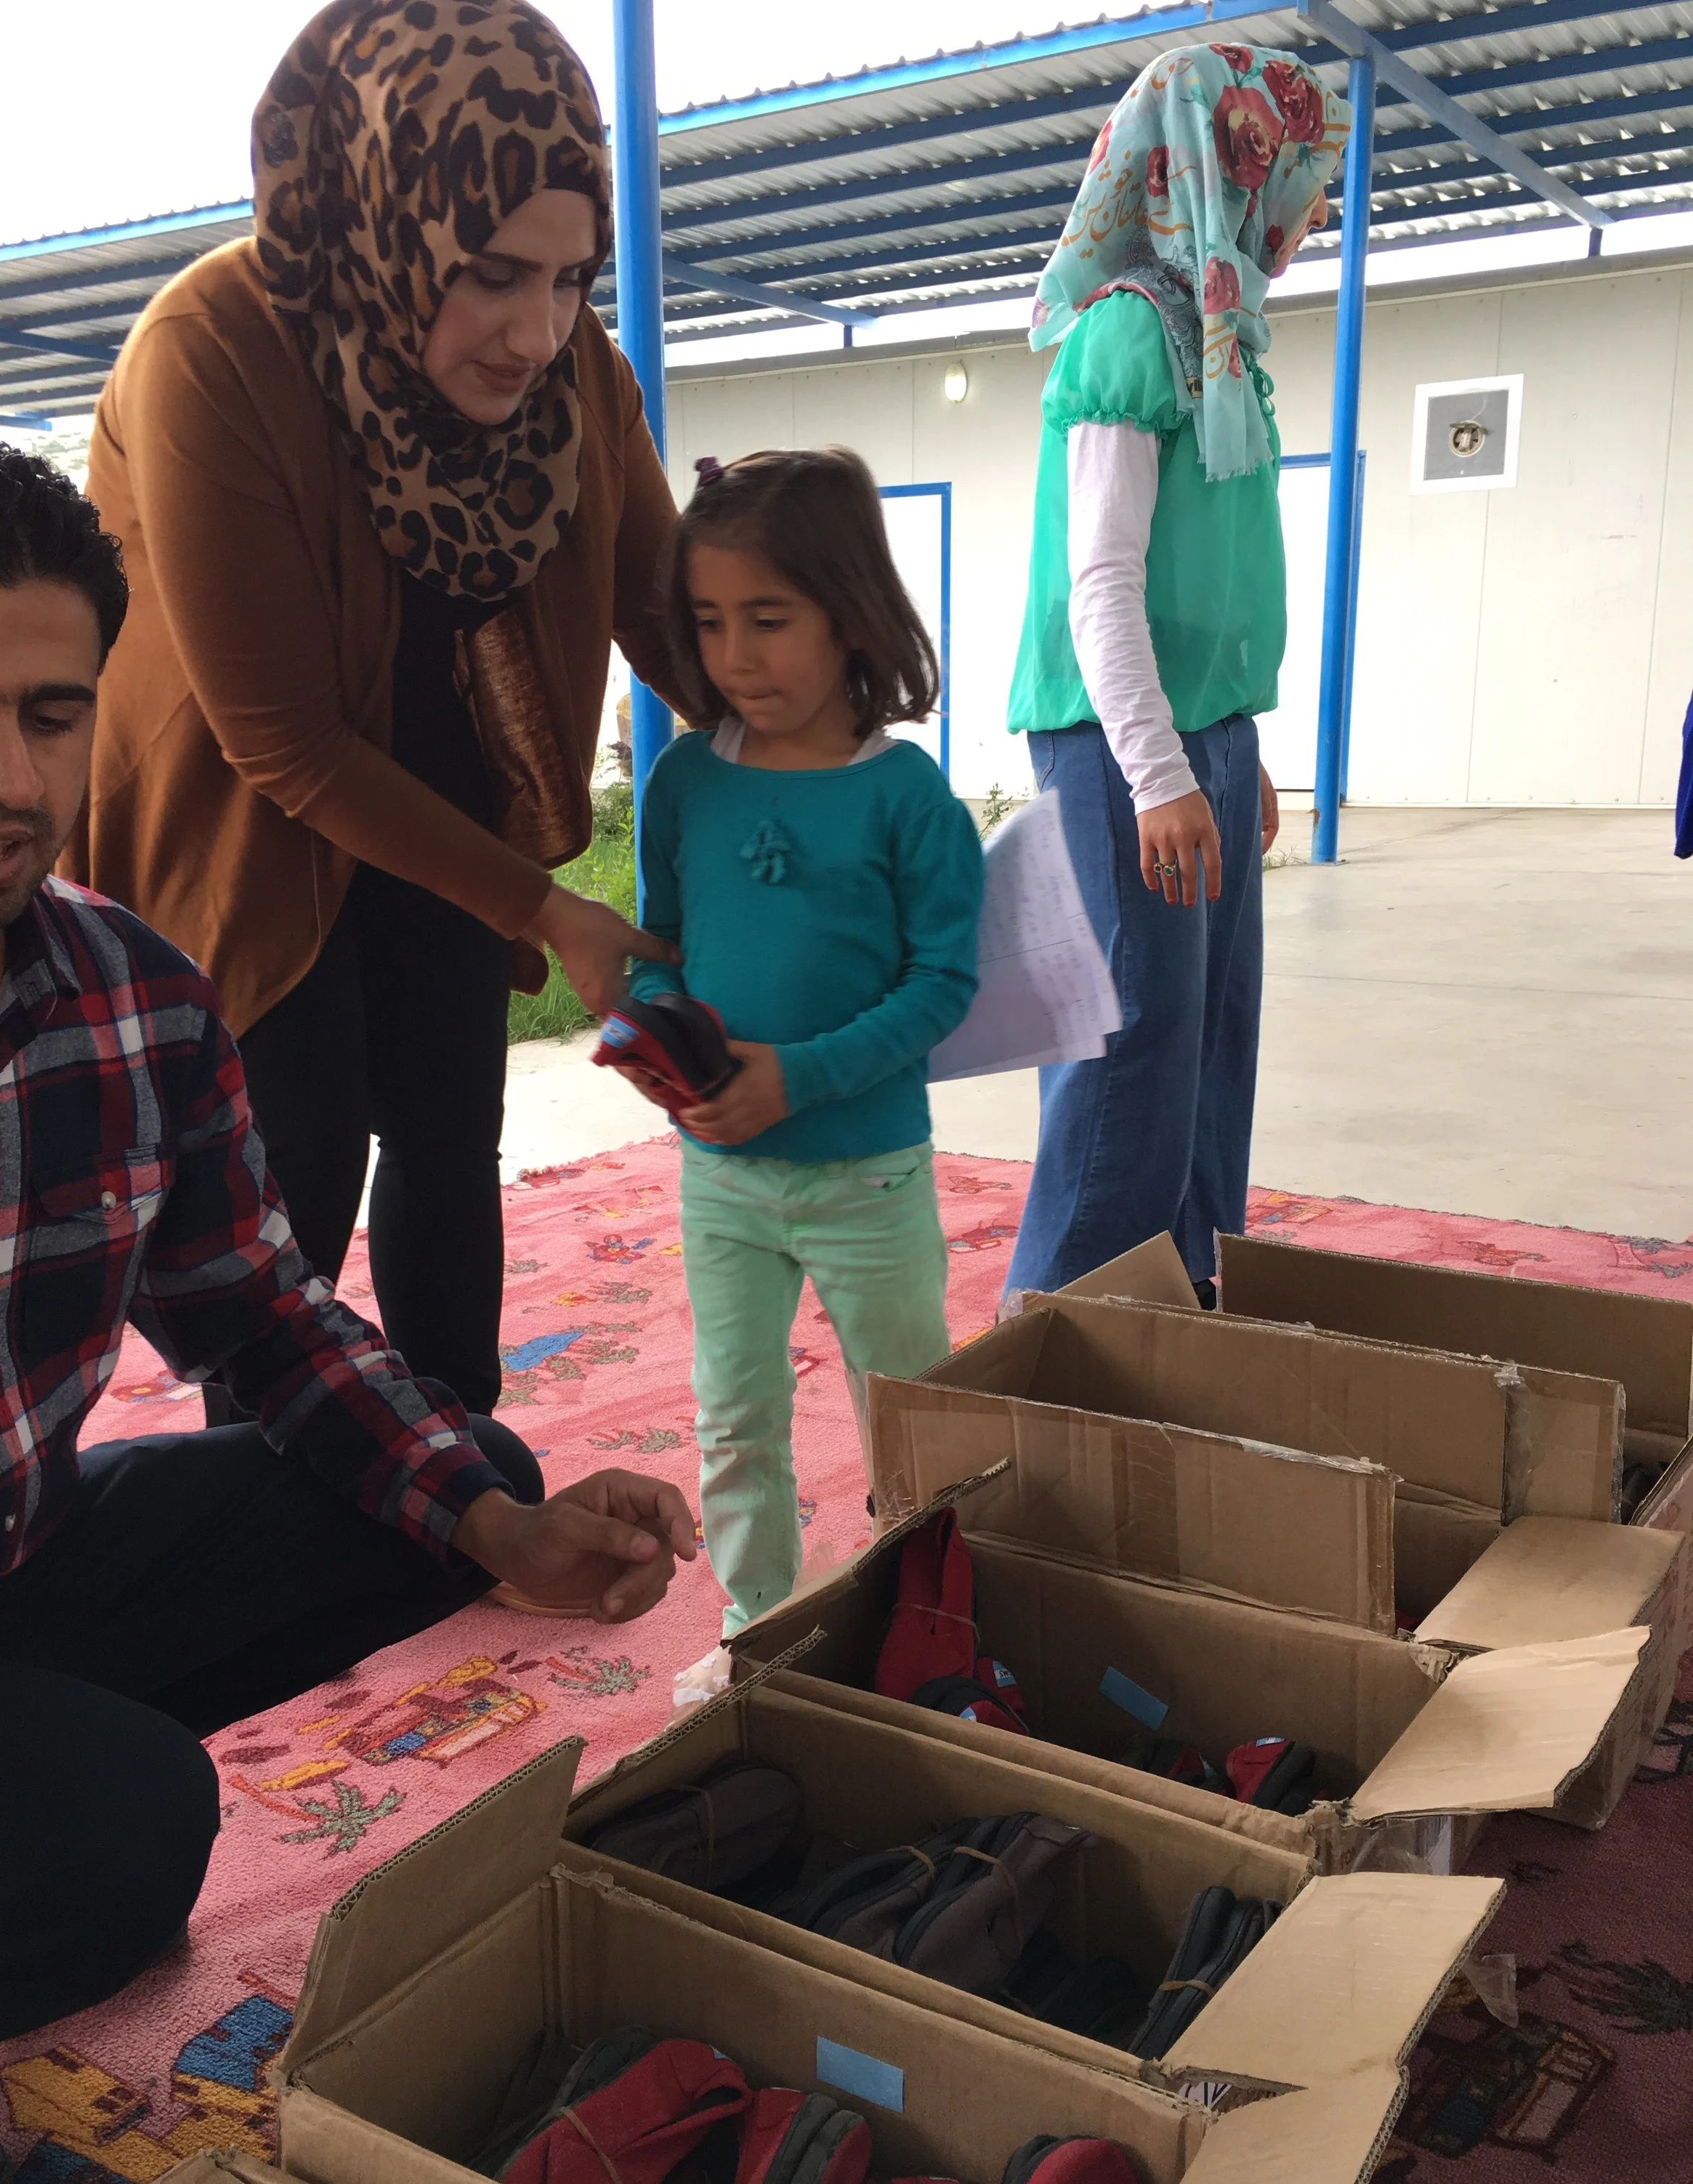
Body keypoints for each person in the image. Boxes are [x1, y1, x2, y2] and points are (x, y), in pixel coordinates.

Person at [0, 421, 695, 2184]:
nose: (6, 774)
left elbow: (259, 1313)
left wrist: (498, 1528)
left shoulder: (129, 995)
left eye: (52, 714)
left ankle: (4, 1802)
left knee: (454, 1472)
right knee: (113, 1835)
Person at [65, 0, 683, 1424]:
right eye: (492, 275)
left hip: (448, 800)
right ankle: (265, 1483)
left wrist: (826, 757)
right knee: (295, 1166)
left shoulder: (576, 371)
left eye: (570, 279)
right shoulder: (212, 351)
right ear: (387, 212)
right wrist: (550, 910)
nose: (535, 334)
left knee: (449, 1132)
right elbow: (281, 742)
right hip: (243, 825)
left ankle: (460, 1459)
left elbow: (669, 612)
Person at [610, 450, 984, 1693]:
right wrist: (651, 1038)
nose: (735, 657)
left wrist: (801, 1077)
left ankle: (930, 1628)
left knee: (911, 1419)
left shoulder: (908, 798)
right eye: (710, 622)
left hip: (869, 1179)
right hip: (721, 1179)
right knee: (733, 1418)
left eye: (768, 620)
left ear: (850, 612)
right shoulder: (682, 781)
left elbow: (943, 986)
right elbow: (666, 952)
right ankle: (757, 1634)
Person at [1004, 44, 1351, 1301]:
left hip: (1202, 738)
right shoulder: (1130, 331)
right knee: (1128, 1056)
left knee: (1210, 1044)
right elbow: (1101, 587)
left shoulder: (1222, 333)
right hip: (1118, 747)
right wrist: (1160, 773)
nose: (1308, 207)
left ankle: (1191, 1315)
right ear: (1224, 167)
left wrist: (1232, 756)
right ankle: (1053, 1352)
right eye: (1295, 173)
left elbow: (1212, 577)